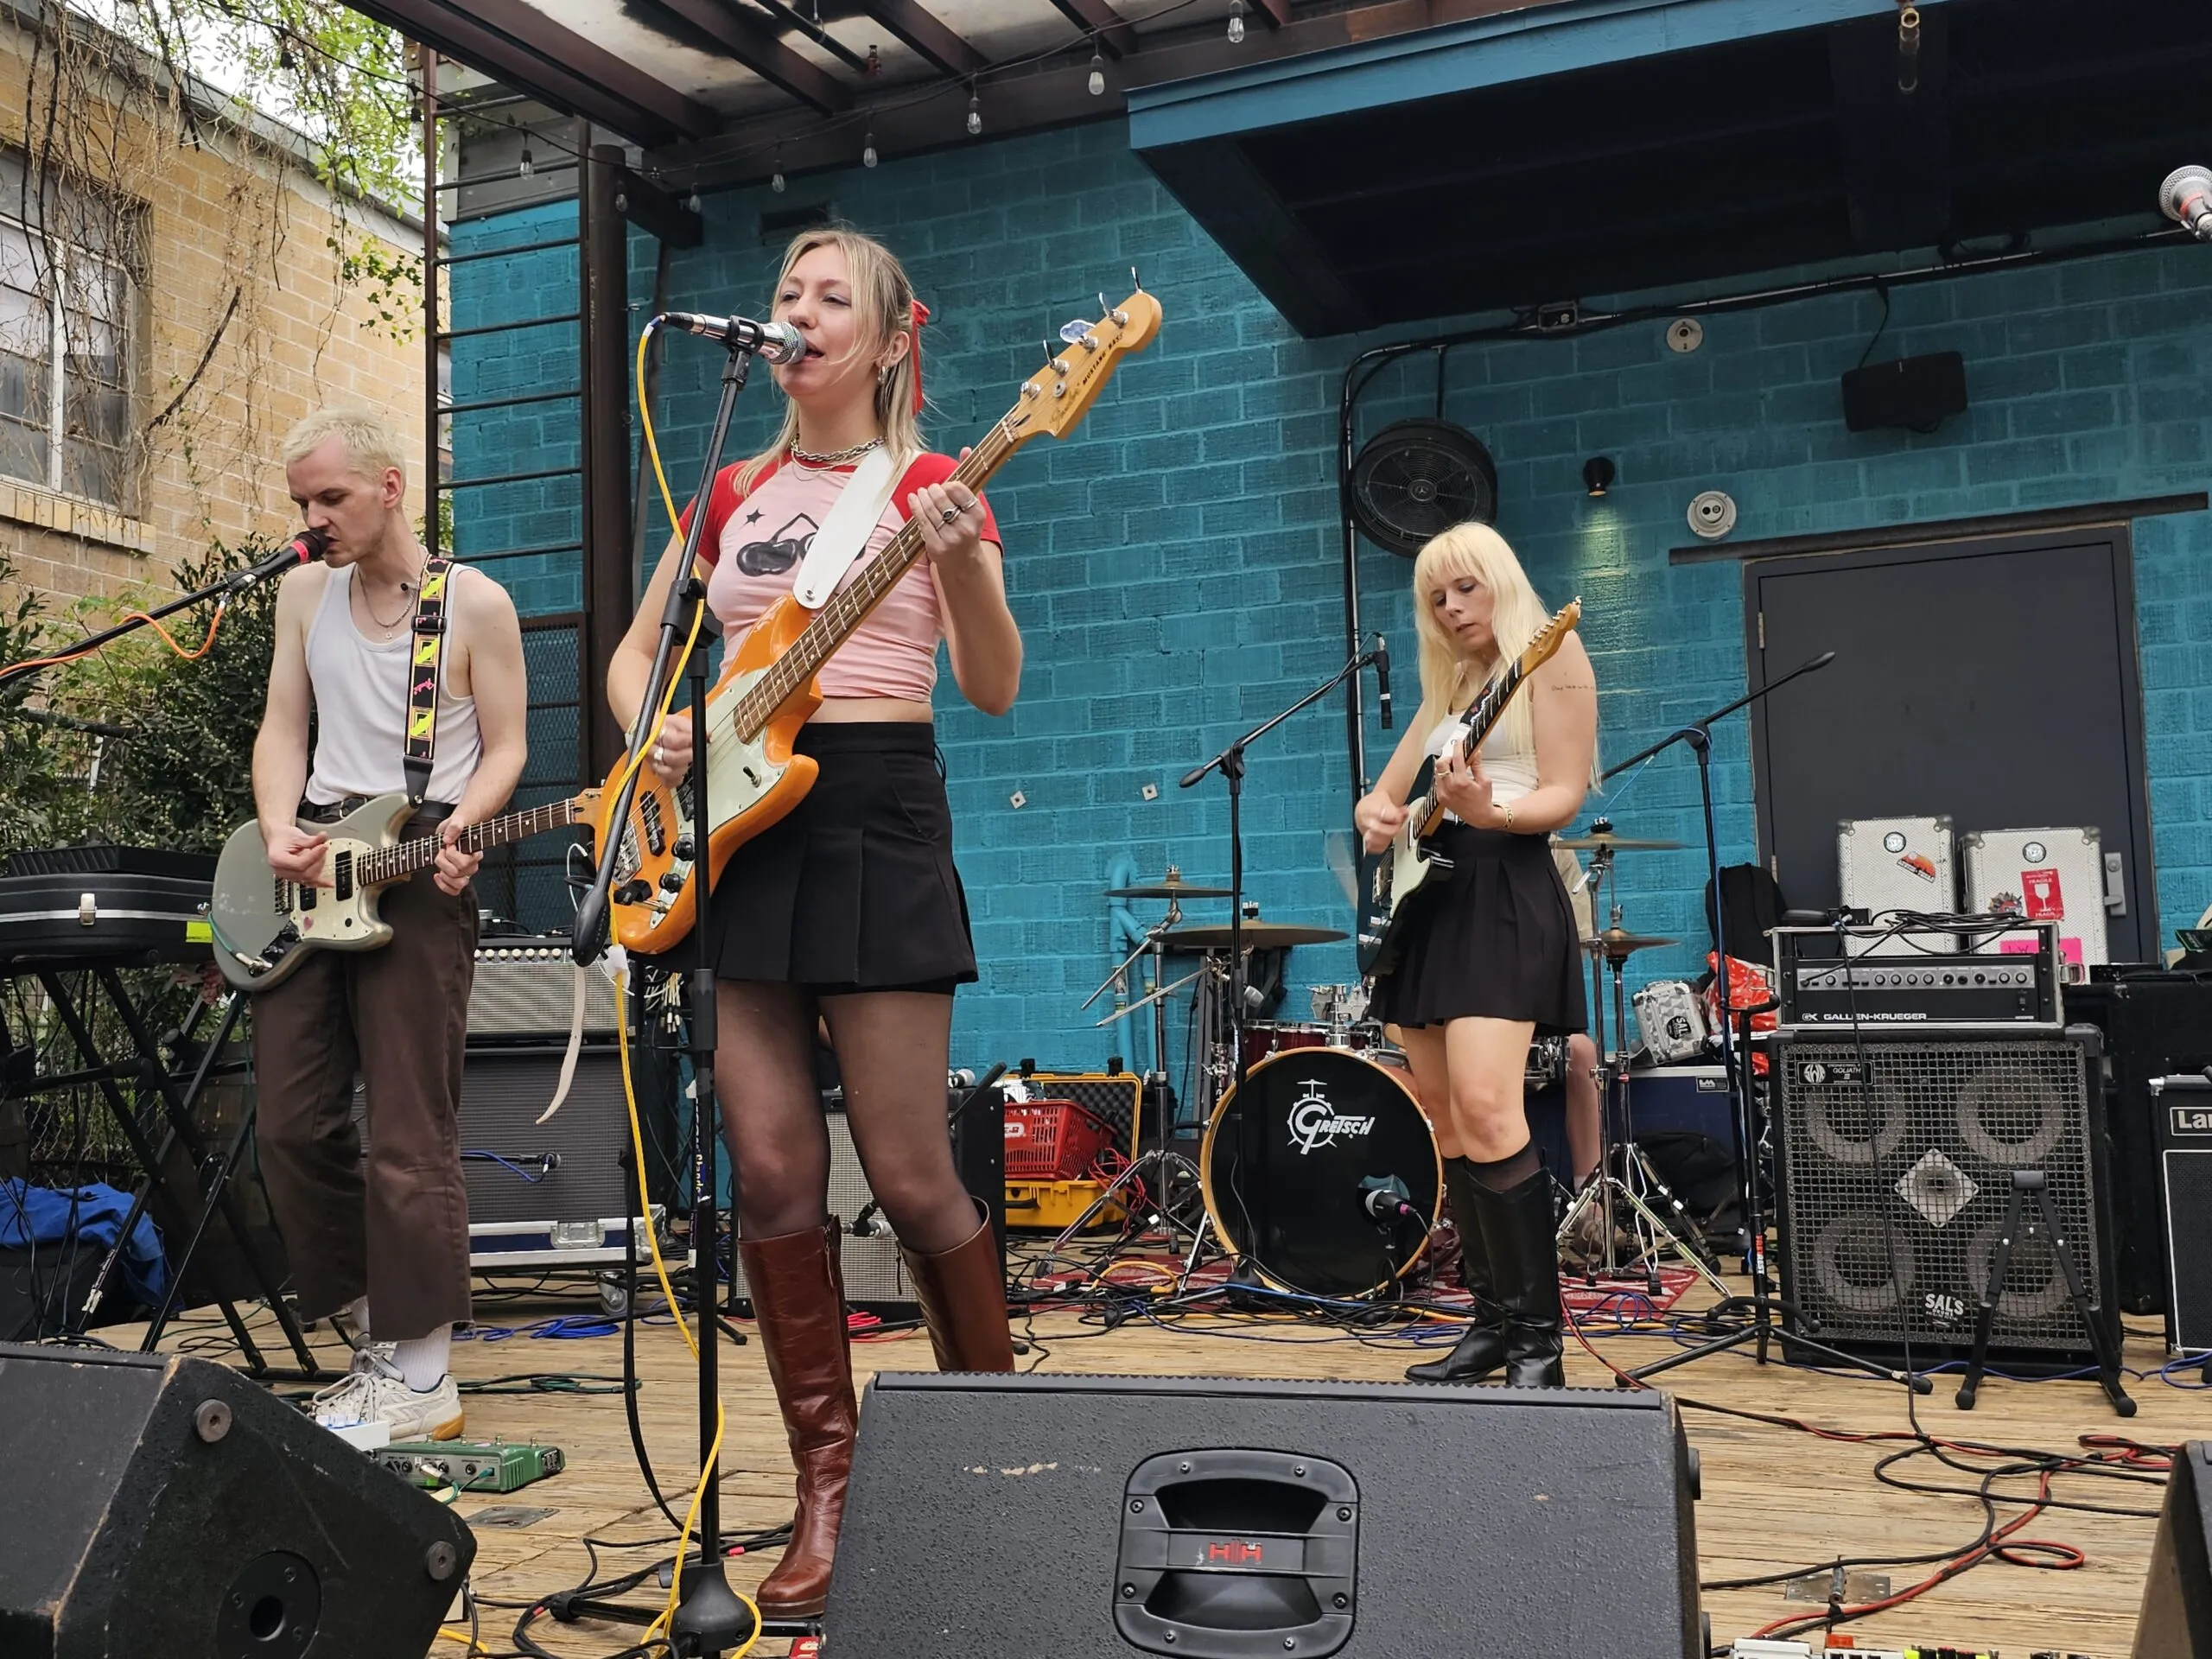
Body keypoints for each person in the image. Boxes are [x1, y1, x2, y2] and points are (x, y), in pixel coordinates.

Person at [607, 227, 1022, 1619]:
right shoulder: (728, 485)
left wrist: (959, 561)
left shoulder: (924, 482)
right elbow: (634, 659)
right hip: (737, 821)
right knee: (771, 1174)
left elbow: (995, 684)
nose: (795, 313)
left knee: (907, 1172)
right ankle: (827, 1494)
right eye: (787, 293)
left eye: (829, 297)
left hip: (876, 804)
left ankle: (999, 1458)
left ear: (892, 339)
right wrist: (656, 732)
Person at [250, 407, 528, 1439]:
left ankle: (422, 1381)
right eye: (302, 504)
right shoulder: (301, 594)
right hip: (315, 863)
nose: (313, 519)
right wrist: (277, 823)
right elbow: (284, 726)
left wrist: (465, 823)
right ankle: (381, 1340)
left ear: (391, 487)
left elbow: (505, 748)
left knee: (413, 1130)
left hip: (415, 868)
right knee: (289, 1123)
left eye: (330, 498)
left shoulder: (473, 605)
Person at [1355, 522, 1597, 1389]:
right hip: (1433, 899)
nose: (1451, 607)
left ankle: (1540, 1342)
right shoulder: (1449, 683)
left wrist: (1488, 808)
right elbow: (1382, 799)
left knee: (1493, 1109)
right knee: (1449, 1122)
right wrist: (1377, 816)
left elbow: (1563, 794)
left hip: (1505, 886)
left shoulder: (1553, 657)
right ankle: (1490, 1323)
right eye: (1435, 597)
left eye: (1465, 587)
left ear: (1500, 579)